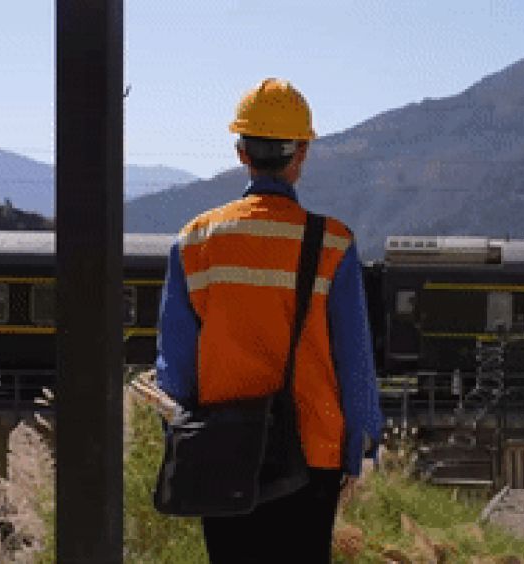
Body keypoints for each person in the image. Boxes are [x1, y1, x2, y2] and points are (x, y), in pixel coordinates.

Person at [155, 78, 383, 563]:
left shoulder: (195, 241)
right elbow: (354, 361)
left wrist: (190, 438)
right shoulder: (333, 243)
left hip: (223, 451)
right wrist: (360, 448)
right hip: (313, 452)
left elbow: (175, 369)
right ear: (301, 154)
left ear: (241, 152)